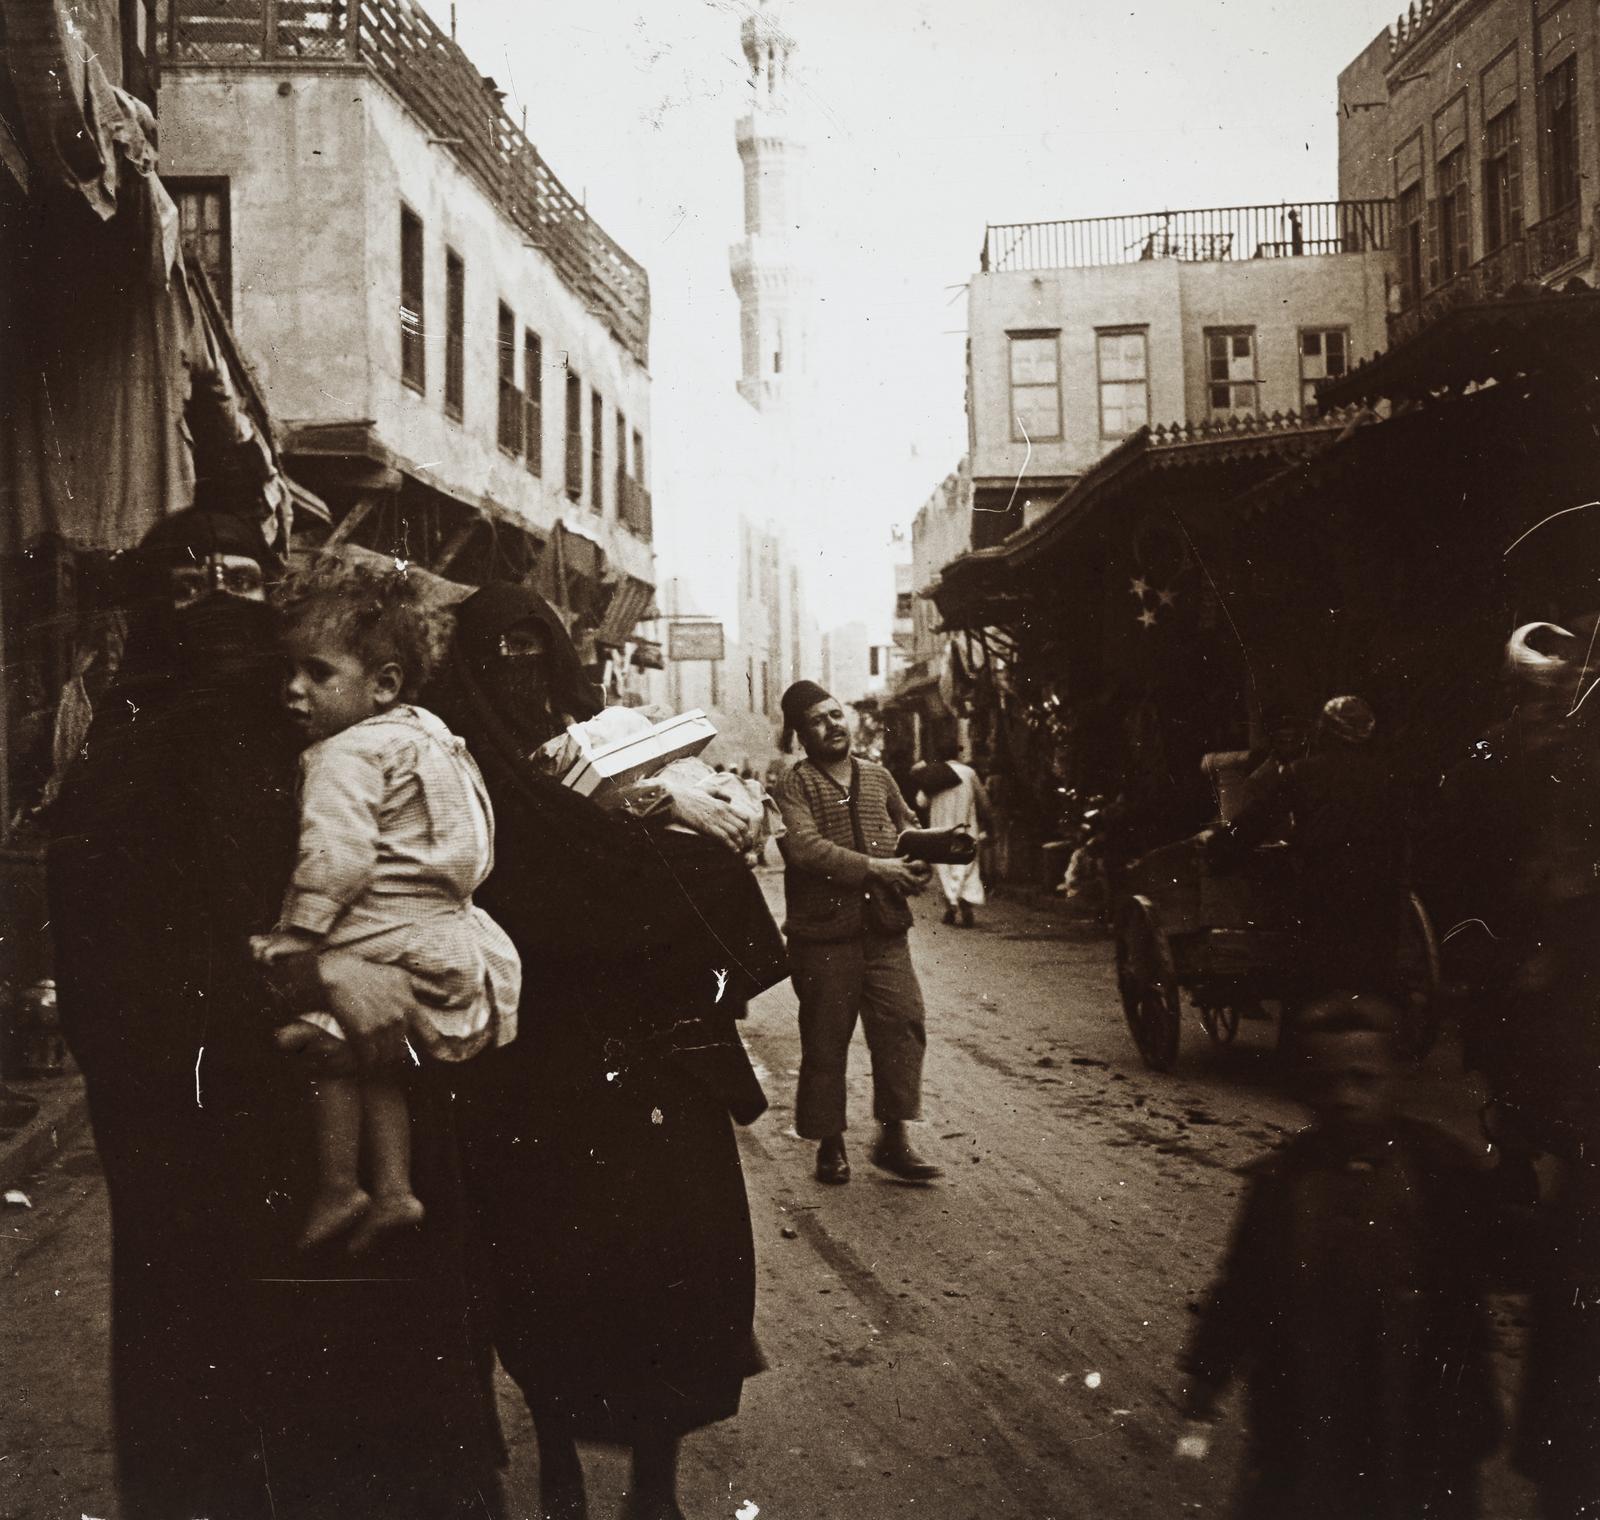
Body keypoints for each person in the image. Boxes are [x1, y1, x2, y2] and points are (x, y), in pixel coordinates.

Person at [47, 509, 504, 1519]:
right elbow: (115, 972)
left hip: (349, 1132)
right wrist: (315, 980)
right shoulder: (129, 755)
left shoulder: (326, 731)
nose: (218, 611)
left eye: (245, 584)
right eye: (188, 588)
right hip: (212, 1135)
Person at [430, 583, 787, 1520]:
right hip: (533, 1076)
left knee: (675, 1279)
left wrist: (655, 823)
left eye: (531, 642)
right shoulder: (462, 771)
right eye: (497, 647)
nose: (516, 664)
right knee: (542, 1285)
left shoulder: (613, 751)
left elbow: (710, 913)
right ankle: (557, 1465)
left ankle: (654, 1488)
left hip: (652, 1072)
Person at [252, 557, 521, 1251]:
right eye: (288, 673)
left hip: (388, 938)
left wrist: (300, 937)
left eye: (317, 673)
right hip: (455, 941)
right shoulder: (431, 737)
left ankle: (340, 1186)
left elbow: (335, 856)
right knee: (381, 1070)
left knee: (322, 1041)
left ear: (384, 683)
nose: (293, 691)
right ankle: (395, 1192)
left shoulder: (344, 755)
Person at [1176, 995, 1500, 1519]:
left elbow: (1468, 1298)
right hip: (1313, 1402)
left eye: (1363, 1078)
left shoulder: (1439, 1174)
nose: (1344, 1097)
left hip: (1411, 1399)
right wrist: (1208, 1374)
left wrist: (1472, 1408)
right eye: (1325, 1082)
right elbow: (1243, 1287)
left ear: (1396, 1078)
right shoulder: (1282, 1184)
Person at [774, 679, 941, 1185]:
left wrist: (918, 866)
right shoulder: (793, 785)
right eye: (817, 722)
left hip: (885, 931)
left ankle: (893, 1138)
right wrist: (876, 867)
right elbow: (803, 848)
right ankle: (830, 1142)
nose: (832, 726)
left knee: (902, 1025)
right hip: (825, 937)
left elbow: (911, 833)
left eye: (835, 714)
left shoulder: (879, 777)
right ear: (801, 736)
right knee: (826, 1040)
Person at [1206, 694, 1405, 1000]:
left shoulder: (1304, 773)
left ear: (1323, 732)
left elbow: (1254, 824)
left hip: (1324, 888)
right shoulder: (1386, 775)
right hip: (1382, 887)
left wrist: (1219, 850)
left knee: (1305, 977)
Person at [913, 740, 990, 927]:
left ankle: (950, 907)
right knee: (967, 869)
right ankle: (966, 908)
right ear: (958, 754)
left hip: (940, 831)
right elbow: (983, 801)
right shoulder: (969, 772)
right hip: (966, 829)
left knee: (945, 870)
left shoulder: (934, 774)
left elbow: (921, 802)